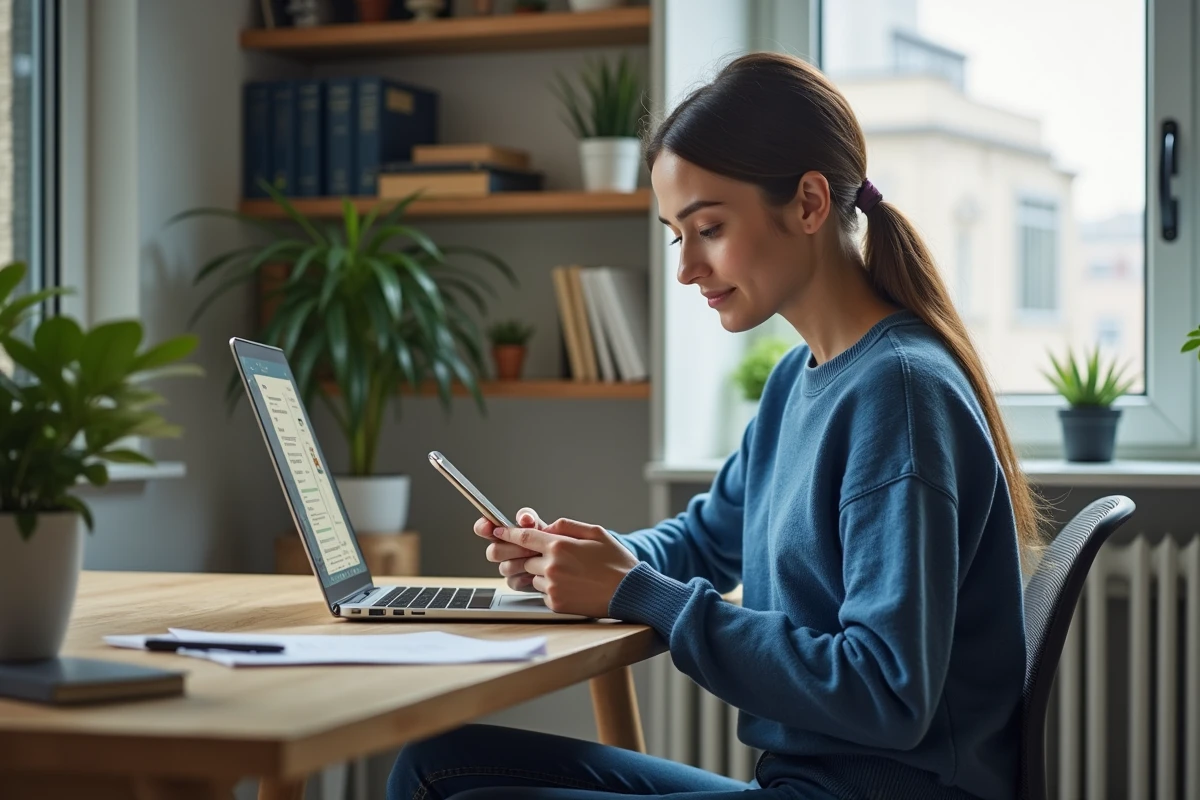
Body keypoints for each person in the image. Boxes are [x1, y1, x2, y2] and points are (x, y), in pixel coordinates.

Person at [387, 51, 1041, 800]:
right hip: (804, 784)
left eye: (709, 228)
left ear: (808, 204)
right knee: (433, 765)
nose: (686, 268)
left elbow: (886, 692)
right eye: (677, 235)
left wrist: (637, 591)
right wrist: (585, 560)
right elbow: (705, 540)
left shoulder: (898, 394)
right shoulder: (801, 380)